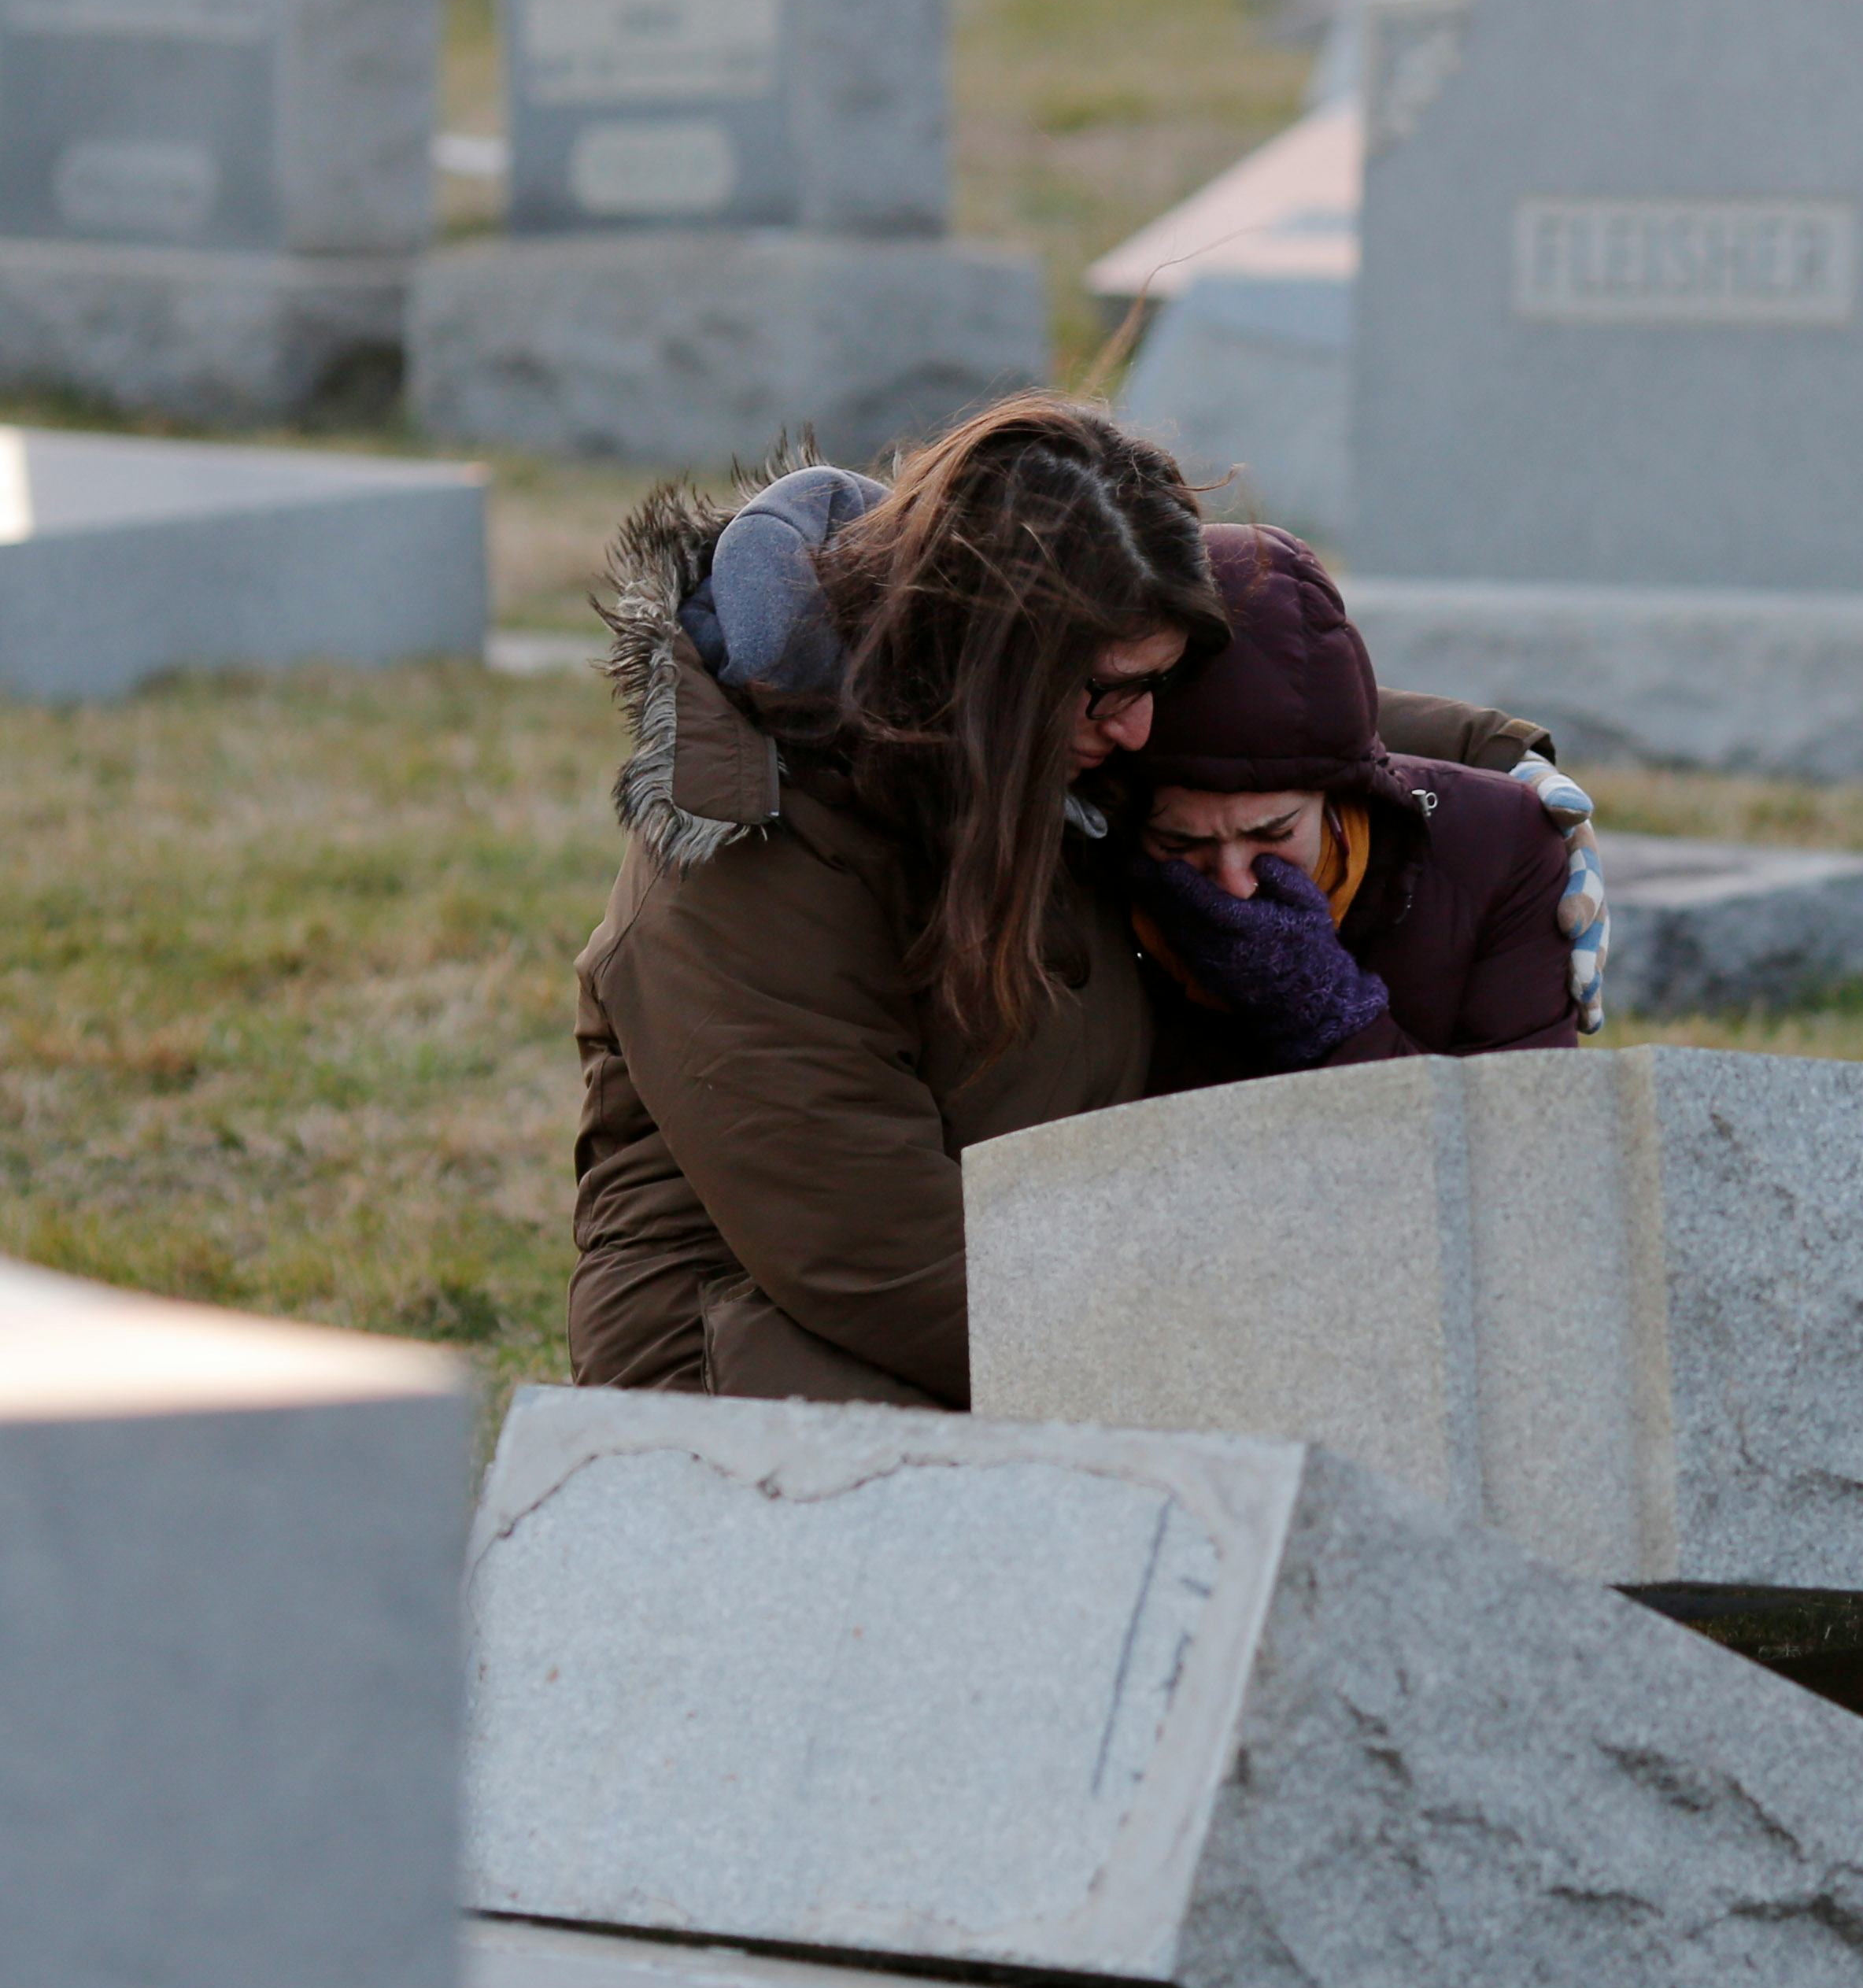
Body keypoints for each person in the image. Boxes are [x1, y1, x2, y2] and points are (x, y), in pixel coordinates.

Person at [567, 396, 1564, 1409]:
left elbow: (1265, 698)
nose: (1140, 733)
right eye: (1111, 691)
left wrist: (1494, 769)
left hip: (1034, 1291)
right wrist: (1224, 1377)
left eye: (1156, 687)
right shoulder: (755, 860)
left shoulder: (1008, 718)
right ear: (994, 663)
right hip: (758, 1358)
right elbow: (877, 1261)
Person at [1118, 522, 1595, 1092]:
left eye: (1274, 831)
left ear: (1339, 791)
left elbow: (1522, 1144)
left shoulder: (1500, 849)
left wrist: (1328, 1016)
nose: (1236, 884)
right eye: (1179, 844)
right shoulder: (1080, 864)